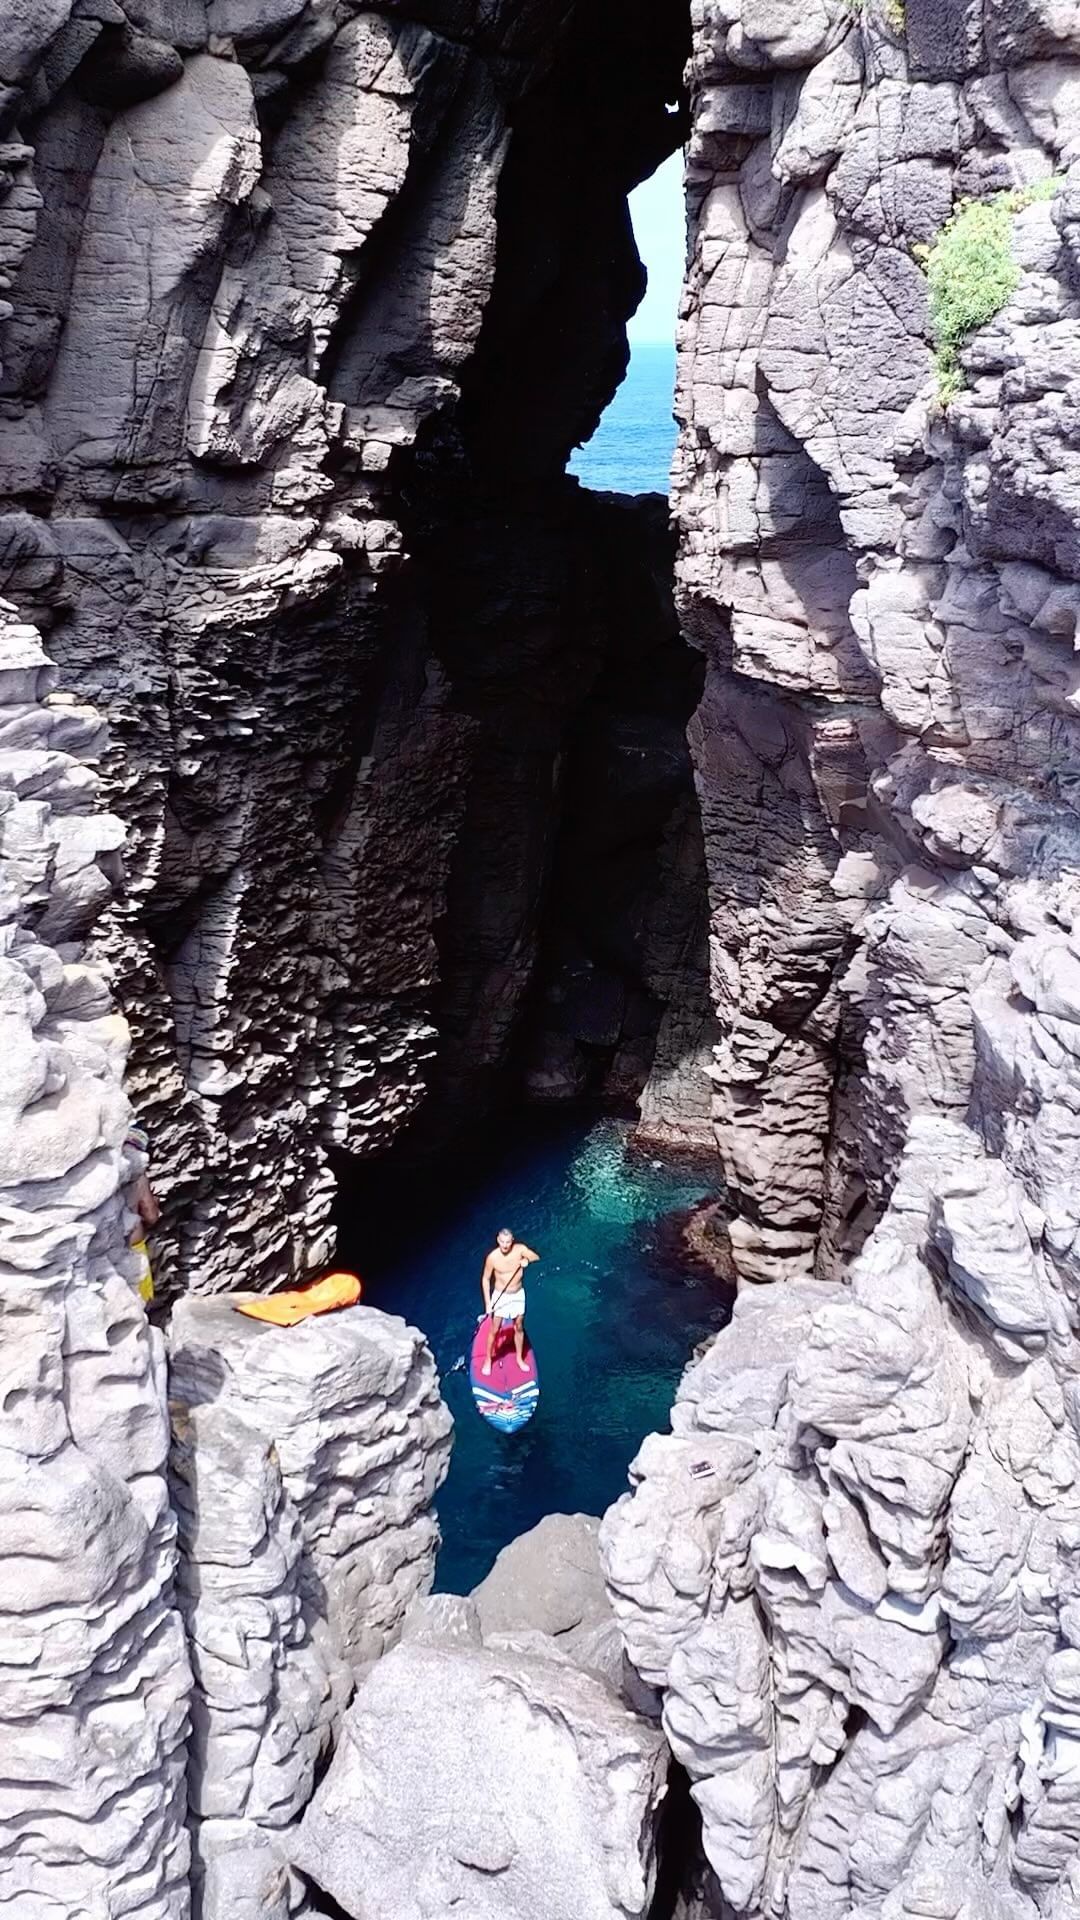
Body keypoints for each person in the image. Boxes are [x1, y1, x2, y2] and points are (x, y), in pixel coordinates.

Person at [480, 1227, 539, 1377]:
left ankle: (519, 1359)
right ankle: (488, 1360)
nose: (505, 1245)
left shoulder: (520, 1250)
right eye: (502, 1242)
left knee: (519, 1326)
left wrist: (527, 1260)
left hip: (518, 1295)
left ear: (512, 1241)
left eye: (508, 1242)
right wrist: (488, 1303)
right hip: (501, 1295)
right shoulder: (492, 1257)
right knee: (495, 1329)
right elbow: (486, 1279)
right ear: (498, 1240)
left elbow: (536, 1257)